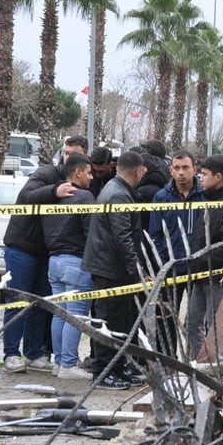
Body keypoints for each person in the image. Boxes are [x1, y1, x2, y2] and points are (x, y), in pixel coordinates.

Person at [0, 135, 88, 373]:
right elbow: (25, 198)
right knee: (18, 301)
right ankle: (10, 354)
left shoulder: (84, 184)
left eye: (75, 153)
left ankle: (34, 353)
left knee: (42, 305)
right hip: (22, 247)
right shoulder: (47, 174)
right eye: (67, 152)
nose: (69, 157)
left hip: (49, 254)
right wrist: (54, 191)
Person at [82, 151, 147, 389]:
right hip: (110, 268)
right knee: (108, 321)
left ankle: (117, 368)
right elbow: (123, 237)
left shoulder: (115, 189)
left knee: (121, 322)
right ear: (139, 171)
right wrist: (136, 269)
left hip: (111, 266)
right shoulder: (119, 195)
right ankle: (103, 372)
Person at [184, 154, 223, 361]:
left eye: (205, 174)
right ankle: (197, 365)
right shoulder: (209, 200)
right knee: (192, 324)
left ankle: (212, 367)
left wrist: (199, 261)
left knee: (213, 326)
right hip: (199, 275)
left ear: (218, 177)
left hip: (215, 276)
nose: (200, 178)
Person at [43, 154, 96, 380]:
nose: (92, 177)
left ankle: (59, 362)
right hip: (76, 261)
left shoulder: (52, 196)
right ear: (78, 172)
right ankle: (68, 364)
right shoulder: (84, 197)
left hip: (54, 260)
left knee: (60, 314)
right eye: (89, 172)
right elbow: (92, 232)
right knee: (76, 315)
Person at [147, 150, 204, 357]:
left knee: (198, 320)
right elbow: (155, 233)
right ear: (171, 171)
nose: (181, 173)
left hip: (199, 269)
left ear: (194, 170)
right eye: (177, 168)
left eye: (185, 168)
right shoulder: (161, 197)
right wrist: (164, 260)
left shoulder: (205, 196)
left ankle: (198, 361)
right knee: (167, 316)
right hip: (171, 268)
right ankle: (168, 360)